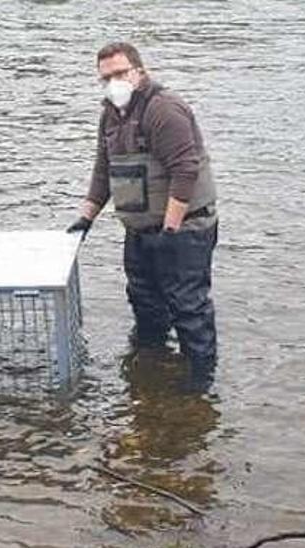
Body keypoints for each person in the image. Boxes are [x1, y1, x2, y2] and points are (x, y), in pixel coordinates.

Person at [66, 42, 219, 392]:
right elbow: (104, 171)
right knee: (144, 299)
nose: (113, 82)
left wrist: (170, 228)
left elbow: (185, 170)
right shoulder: (110, 113)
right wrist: (85, 217)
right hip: (140, 229)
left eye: (120, 73)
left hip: (184, 228)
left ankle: (199, 384)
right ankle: (151, 363)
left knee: (188, 306)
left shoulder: (164, 109)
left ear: (140, 71)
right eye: (105, 77)